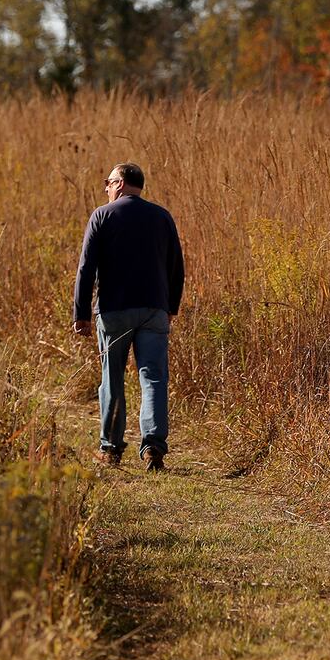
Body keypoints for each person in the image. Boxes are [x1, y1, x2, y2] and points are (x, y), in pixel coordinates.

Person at [72, 162, 184, 470]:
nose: (106, 188)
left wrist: (80, 312)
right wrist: (170, 307)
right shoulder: (162, 217)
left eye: (108, 182)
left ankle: (110, 448)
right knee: (154, 377)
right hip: (154, 309)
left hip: (113, 310)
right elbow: (176, 266)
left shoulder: (103, 216)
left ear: (119, 184)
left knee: (112, 378)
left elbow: (86, 267)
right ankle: (153, 447)